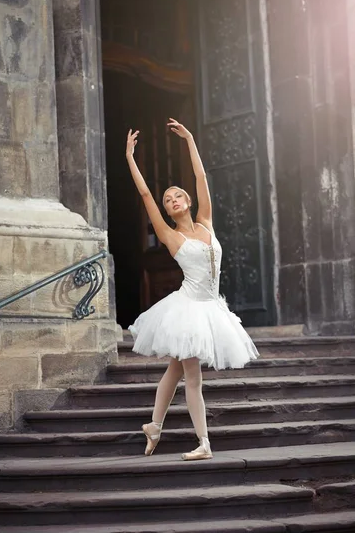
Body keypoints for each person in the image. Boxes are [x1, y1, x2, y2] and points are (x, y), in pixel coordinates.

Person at [126, 118, 259, 461]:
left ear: (187, 201)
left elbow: (201, 178)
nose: (171, 200)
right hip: (187, 309)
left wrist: (190, 141)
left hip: (211, 306)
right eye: (167, 198)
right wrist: (129, 157)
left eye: (176, 196)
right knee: (192, 378)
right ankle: (204, 443)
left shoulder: (205, 222)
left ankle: (155, 426)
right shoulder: (171, 236)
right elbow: (144, 194)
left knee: (174, 369)